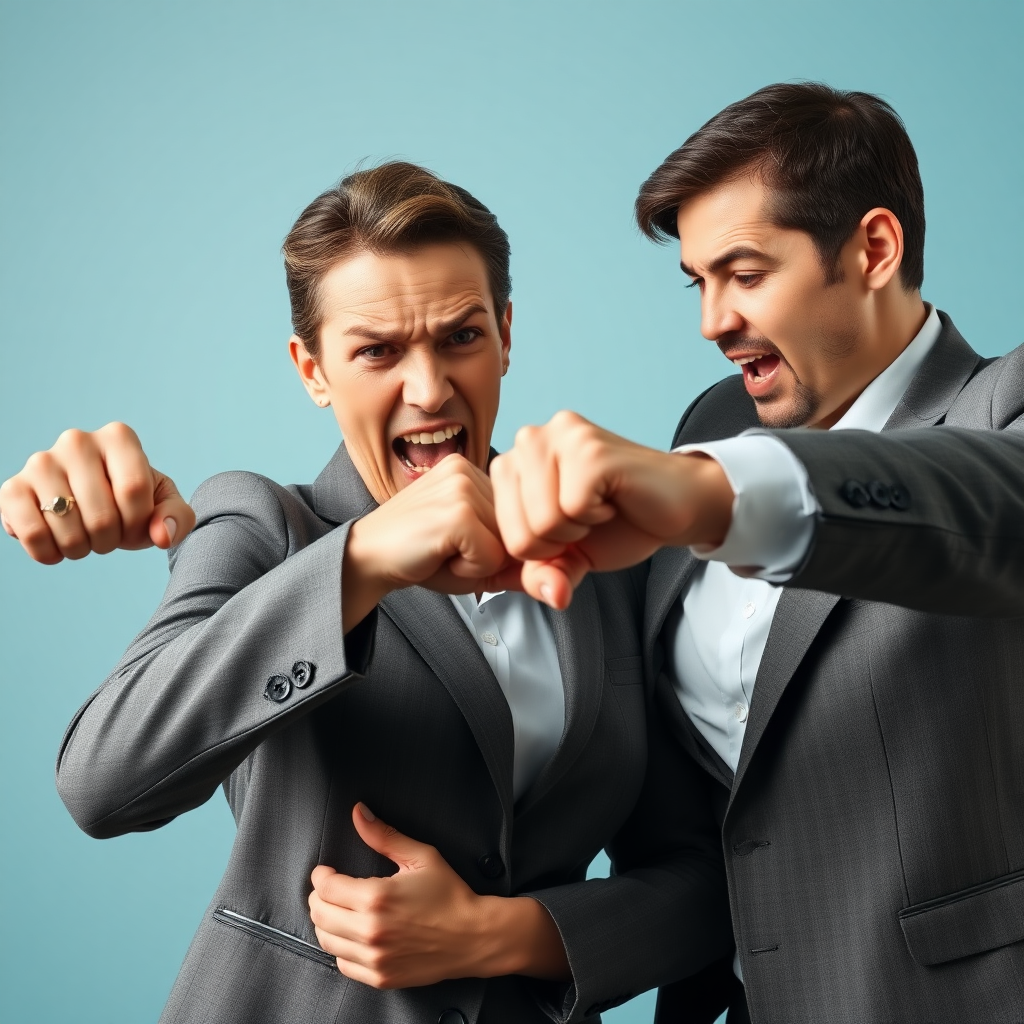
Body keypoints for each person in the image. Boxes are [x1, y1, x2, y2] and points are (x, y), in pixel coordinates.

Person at [0, 162, 731, 1023]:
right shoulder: (264, 526)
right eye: (378, 351)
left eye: (461, 337)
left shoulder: (616, 560)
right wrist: (363, 559)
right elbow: (103, 784)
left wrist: (501, 936)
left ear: (504, 334)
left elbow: (705, 888)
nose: (428, 390)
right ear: (313, 370)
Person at [488, 84, 1024, 1022]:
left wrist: (710, 492)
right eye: (699, 282)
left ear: (874, 249)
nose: (712, 321)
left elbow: (983, 506)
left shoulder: (1000, 410)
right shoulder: (715, 419)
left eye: (744, 273)